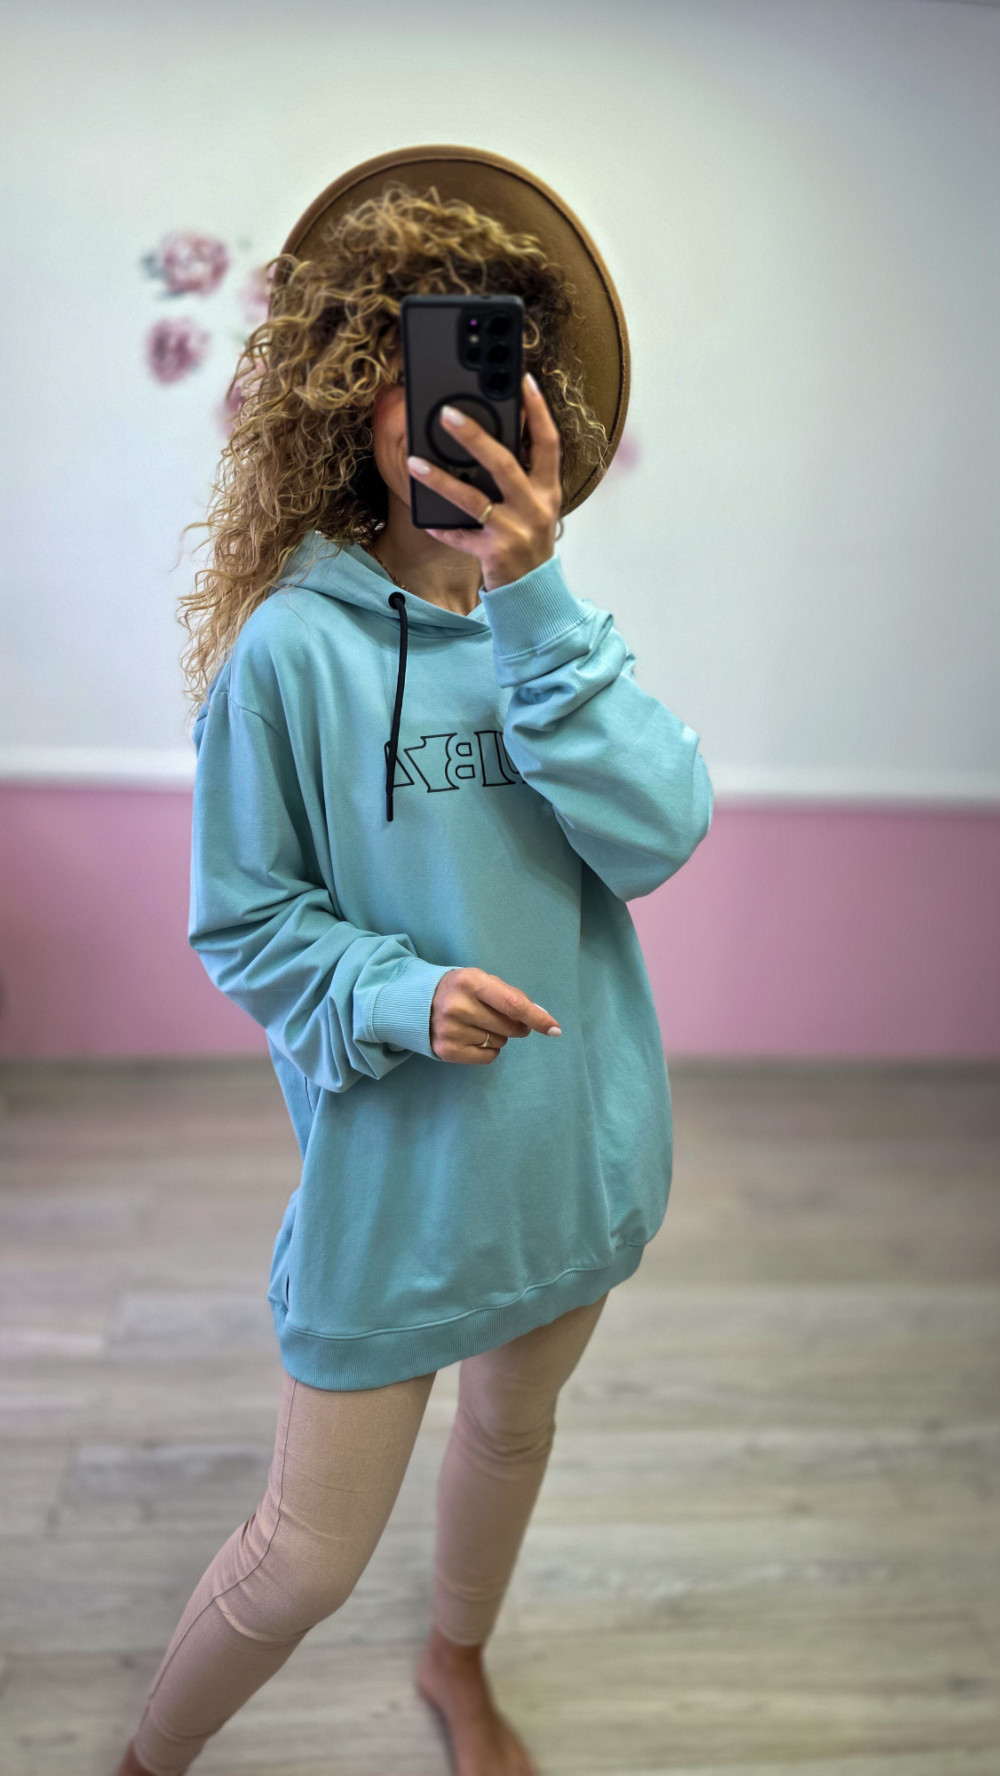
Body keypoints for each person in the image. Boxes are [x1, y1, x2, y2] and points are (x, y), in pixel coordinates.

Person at [115, 148, 713, 1776]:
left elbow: (659, 834)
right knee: (302, 1563)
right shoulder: (290, 654)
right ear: (348, 396)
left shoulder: (559, 630)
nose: (447, 408)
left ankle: (457, 1661)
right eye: (410, 364)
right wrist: (402, 993)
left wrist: (536, 605)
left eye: (488, 364)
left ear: (541, 406)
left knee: (513, 1430)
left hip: (573, 1159)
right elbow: (245, 918)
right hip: (399, 1193)